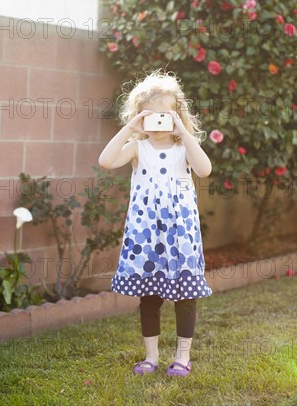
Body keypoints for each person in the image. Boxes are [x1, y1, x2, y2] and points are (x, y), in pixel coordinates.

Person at [98, 69, 213, 377]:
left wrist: (184, 133)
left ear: (177, 116)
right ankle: (151, 356)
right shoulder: (138, 148)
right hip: (146, 233)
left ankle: (182, 357)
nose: (158, 122)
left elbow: (204, 170)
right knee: (149, 295)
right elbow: (106, 161)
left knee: (185, 294)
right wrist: (128, 129)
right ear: (140, 118)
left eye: (166, 115)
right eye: (151, 116)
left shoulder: (182, 149)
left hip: (180, 232)